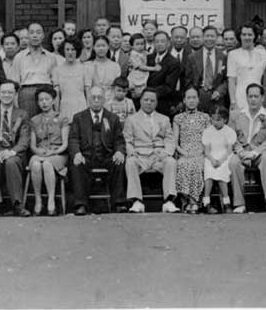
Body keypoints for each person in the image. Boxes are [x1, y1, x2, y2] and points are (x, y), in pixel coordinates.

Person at [69, 86, 127, 215]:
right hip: (86, 155)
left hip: (106, 155)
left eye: (99, 97)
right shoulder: (79, 118)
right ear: (88, 100)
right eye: (93, 97)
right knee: (76, 164)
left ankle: (118, 203)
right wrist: (77, 153)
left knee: (119, 162)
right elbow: (73, 139)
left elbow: (119, 140)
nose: (96, 100)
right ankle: (80, 204)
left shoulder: (112, 118)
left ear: (104, 99)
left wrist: (119, 151)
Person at [228, 83, 266, 213]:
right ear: (246, 97)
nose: (253, 99)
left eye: (256, 96)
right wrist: (240, 152)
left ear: (262, 98)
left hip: (260, 153)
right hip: (242, 152)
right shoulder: (236, 115)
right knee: (234, 162)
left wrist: (255, 152)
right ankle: (239, 203)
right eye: (250, 96)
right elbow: (231, 137)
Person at [0, 81, 31, 218]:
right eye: (3, 92)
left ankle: (17, 204)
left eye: (10, 92)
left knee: (11, 162)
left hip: (14, 151)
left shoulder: (22, 114)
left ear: (15, 95)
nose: (6, 95)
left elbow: (25, 139)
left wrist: (12, 152)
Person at [123, 88, 178, 213]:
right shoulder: (132, 119)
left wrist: (167, 152)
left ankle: (169, 201)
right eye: (146, 100)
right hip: (140, 155)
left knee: (171, 162)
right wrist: (131, 151)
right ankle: (136, 201)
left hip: (158, 156)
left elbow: (170, 139)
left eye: (152, 100)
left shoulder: (164, 119)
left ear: (157, 103)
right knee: (130, 162)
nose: (149, 103)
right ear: (141, 101)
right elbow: (127, 140)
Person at [28, 86, 69, 216]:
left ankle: (51, 200)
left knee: (47, 164)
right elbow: (33, 145)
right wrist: (38, 151)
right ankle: (38, 199)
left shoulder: (62, 118)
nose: (44, 102)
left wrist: (53, 152)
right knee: (35, 164)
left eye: (47, 99)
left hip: (58, 154)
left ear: (53, 101)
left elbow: (65, 144)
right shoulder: (34, 120)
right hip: (41, 152)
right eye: (41, 100)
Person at [173, 87, 211, 214]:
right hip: (184, 152)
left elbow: (209, 138)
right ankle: (186, 200)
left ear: (198, 100)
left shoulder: (205, 117)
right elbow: (175, 141)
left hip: (201, 151)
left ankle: (194, 201)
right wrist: (184, 153)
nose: (191, 100)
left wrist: (201, 151)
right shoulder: (178, 118)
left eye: (194, 97)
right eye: (188, 98)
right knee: (183, 164)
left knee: (197, 164)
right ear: (184, 100)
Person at [13, 23, 58, 115]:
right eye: (32, 33)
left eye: (38, 32)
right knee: (28, 124)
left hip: (46, 91)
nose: (35, 35)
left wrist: (56, 106)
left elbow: (55, 83)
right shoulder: (19, 57)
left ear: (43, 36)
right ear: (28, 35)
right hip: (26, 93)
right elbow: (15, 85)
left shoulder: (51, 57)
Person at [227, 25, 266, 116]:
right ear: (239, 36)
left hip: (258, 95)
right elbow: (231, 80)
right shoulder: (233, 54)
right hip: (240, 95)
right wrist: (233, 101)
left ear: (255, 36)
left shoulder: (262, 53)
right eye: (244, 34)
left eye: (250, 34)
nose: (247, 37)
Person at [186, 25, 227, 114]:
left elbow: (226, 79)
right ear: (203, 37)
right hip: (199, 96)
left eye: (212, 36)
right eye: (207, 36)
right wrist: (194, 95)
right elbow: (188, 80)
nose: (209, 39)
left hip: (217, 97)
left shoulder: (222, 57)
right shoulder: (192, 57)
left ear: (216, 38)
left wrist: (219, 91)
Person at [202, 107, 236, 213]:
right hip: (211, 157)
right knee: (209, 173)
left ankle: (226, 203)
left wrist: (220, 161)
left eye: (218, 120)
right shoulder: (208, 131)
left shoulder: (229, 131)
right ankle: (206, 202)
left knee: (222, 173)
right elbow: (207, 151)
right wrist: (212, 160)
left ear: (225, 120)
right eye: (213, 119)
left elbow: (229, 151)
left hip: (224, 157)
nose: (215, 122)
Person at [146, 31, 182, 117]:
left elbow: (169, 86)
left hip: (162, 102)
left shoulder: (174, 62)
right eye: (157, 41)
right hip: (144, 101)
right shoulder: (148, 58)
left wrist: (149, 93)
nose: (159, 44)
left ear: (168, 43)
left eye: (162, 41)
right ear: (153, 43)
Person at [53, 38, 89, 122]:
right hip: (65, 107)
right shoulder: (57, 70)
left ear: (77, 51)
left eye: (73, 49)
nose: (70, 52)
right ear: (63, 51)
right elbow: (57, 94)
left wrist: (88, 111)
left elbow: (88, 92)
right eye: (67, 49)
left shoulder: (84, 68)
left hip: (81, 106)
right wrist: (57, 112)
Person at [86, 36, 122, 104]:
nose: (101, 48)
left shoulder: (115, 66)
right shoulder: (87, 65)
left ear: (108, 47)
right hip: (94, 102)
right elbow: (87, 89)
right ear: (93, 47)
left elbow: (117, 88)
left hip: (111, 103)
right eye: (98, 46)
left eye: (103, 46)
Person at [127, 33, 159, 102]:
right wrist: (153, 68)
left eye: (142, 44)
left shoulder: (144, 52)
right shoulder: (133, 54)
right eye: (137, 44)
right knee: (137, 91)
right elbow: (140, 67)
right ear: (132, 45)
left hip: (144, 74)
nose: (140, 46)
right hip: (137, 74)